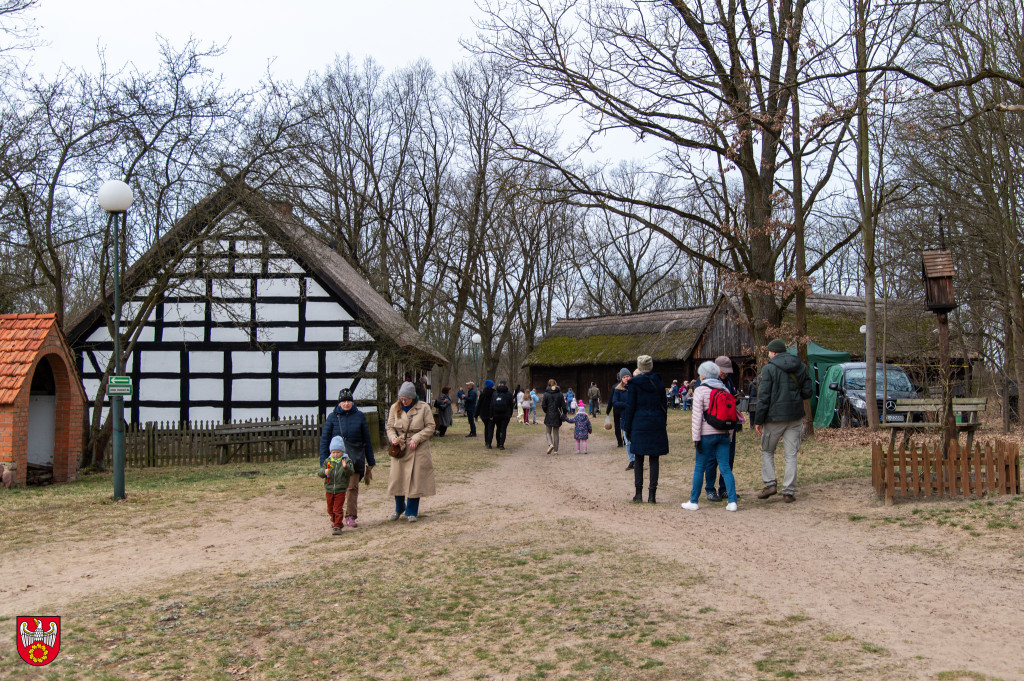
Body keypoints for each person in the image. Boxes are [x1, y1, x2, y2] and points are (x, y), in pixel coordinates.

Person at [753, 339, 814, 503]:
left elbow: (764, 397)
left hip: (773, 417)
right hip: (794, 416)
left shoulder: (769, 369)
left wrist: (758, 420)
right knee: (791, 454)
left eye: (768, 352)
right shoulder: (800, 366)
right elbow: (808, 391)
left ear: (773, 352)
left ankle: (770, 483)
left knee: (767, 450)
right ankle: (789, 491)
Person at [682, 361, 738, 512]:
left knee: (700, 467)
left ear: (704, 374)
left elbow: (697, 417)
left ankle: (694, 500)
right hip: (724, 434)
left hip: (706, 435)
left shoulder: (700, 390)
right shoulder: (725, 389)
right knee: (726, 468)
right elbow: (731, 414)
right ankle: (732, 501)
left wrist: (696, 438)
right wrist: (730, 436)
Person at [319, 388, 376, 528]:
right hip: (335, 462)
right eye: (343, 401)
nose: (346, 404)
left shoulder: (360, 417)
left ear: (352, 402)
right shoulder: (332, 418)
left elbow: (367, 440)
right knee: (336, 490)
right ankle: (335, 517)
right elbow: (324, 441)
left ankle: (350, 515)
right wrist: (323, 463)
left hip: (355, 459)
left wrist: (370, 460)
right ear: (339, 403)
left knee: (352, 488)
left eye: (348, 401)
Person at [386, 381, 437, 522]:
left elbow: (431, 426)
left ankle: (411, 511)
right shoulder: (394, 408)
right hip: (400, 448)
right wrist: (393, 438)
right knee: (398, 479)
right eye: (401, 399)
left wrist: (417, 438)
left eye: (406, 399)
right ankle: (399, 507)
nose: (404, 401)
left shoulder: (424, 408)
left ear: (412, 397)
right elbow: (390, 427)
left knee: (415, 480)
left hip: (418, 448)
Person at [623, 355, 669, 503]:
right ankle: (652, 495)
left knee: (639, 457)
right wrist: (663, 422)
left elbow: (630, 407)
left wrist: (627, 427)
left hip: (639, 423)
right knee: (654, 459)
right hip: (656, 422)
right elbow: (664, 406)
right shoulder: (659, 382)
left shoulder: (634, 384)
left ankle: (638, 493)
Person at [703, 355, 742, 502]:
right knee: (712, 458)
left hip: (729, 425)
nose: (725, 373)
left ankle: (724, 488)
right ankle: (710, 489)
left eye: (727, 371)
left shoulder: (729, 381)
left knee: (728, 458)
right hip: (714, 425)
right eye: (723, 370)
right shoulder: (708, 381)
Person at [319, 436, 355, 535]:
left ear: (342, 452)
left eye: (338, 452)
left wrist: (345, 467)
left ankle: (338, 526)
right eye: (333, 452)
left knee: (337, 509)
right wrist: (324, 472)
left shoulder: (346, 461)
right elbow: (320, 472)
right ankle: (335, 521)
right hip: (329, 488)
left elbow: (351, 471)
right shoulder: (328, 461)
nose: (335, 454)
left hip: (340, 489)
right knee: (330, 509)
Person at [608, 367, 631, 458]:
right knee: (624, 434)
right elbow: (613, 402)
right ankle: (631, 458)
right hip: (622, 415)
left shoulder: (633, 388)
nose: (626, 378)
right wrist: (626, 404)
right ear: (621, 378)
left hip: (633, 416)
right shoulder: (617, 389)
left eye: (628, 376)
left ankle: (635, 458)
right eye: (624, 377)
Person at [541, 379, 568, 455]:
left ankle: (550, 444)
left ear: (548, 385)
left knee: (548, 432)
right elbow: (563, 405)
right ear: (555, 384)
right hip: (557, 415)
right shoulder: (560, 394)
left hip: (549, 414)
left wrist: (546, 411)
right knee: (556, 433)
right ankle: (556, 450)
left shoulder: (546, 394)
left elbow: (543, 405)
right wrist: (565, 413)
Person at [490, 379, 515, 450]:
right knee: (503, 429)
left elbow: (492, 405)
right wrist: (510, 414)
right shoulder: (509, 393)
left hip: (496, 414)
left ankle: (498, 443)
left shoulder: (495, 393)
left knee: (498, 428)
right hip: (505, 414)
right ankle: (501, 444)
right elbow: (511, 405)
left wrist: (491, 415)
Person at [478, 379, 496, 448]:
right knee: (490, 428)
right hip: (491, 413)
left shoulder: (483, 393)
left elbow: (479, 404)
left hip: (484, 413)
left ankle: (486, 441)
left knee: (486, 427)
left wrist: (476, 414)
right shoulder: (494, 393)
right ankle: (489, 442)